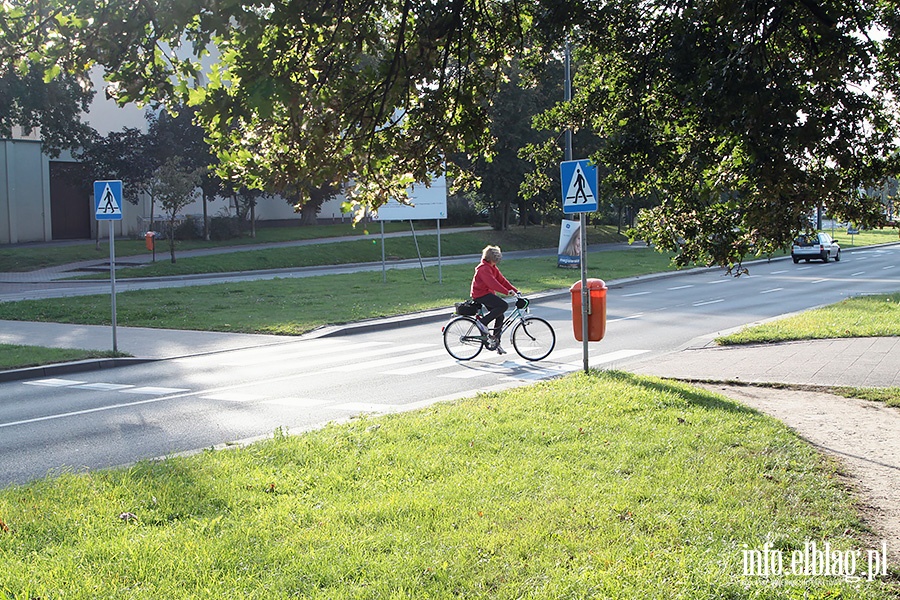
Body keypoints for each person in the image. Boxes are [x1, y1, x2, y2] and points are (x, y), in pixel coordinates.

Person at [470, 245, 518, 354]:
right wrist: (506, 292)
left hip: (487, 293)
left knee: (500, 315)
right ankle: (482, 322)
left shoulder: (492, 267)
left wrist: (515, 290)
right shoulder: (483, 268)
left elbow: (501, 280)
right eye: (495, 260)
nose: (496, 262)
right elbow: (492, 283)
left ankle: (496, 343)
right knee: (503, 306)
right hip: (480, 294)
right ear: (491, 259)